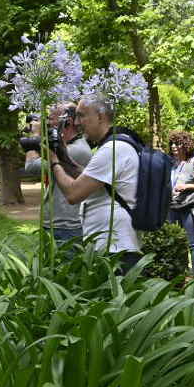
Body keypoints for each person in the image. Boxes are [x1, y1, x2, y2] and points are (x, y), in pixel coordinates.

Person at [49, 95, 142, 273]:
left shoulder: (113, 149)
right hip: (113, 244)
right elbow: (88, 177)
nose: (76, 122)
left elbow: (72, 194)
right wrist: (62, 154)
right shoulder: (114, 144)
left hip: (114, 248)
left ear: (100, 116)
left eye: (82, 115)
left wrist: (54, 161)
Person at [23, 102, 93, 245]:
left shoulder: (76, 150)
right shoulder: (65, 147)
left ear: (68, 122)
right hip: (57, 224)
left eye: (51, 118)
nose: (47, 123)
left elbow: (31, 167)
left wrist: (34, 134)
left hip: (66, 227)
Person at [167, 131, 194, 277]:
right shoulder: (171, 163)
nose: (173, 146)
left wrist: (187, 187)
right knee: (175, 242)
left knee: (192, 243)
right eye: (172, 143)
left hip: (189, 206)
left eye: (177, 143)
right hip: (172, 206)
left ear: (186, 145)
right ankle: (180, 273)